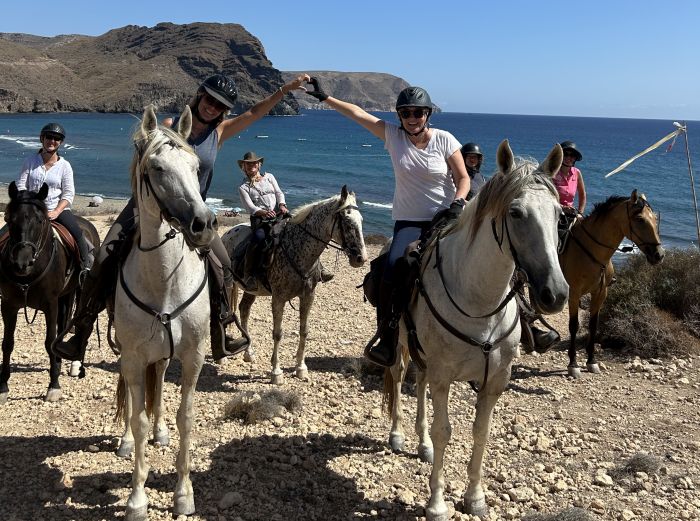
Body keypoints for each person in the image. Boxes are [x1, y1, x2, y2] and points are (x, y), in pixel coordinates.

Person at [53, 73, 309, 365]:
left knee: (223, 264)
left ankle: (223, 327)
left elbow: (255, 112)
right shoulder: (169, 127)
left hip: (192, 214)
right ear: (200, 95)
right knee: (103, 257)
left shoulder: (219, 133)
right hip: (147, 206)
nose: (212, 107)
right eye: (210, 99)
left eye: (219, 105)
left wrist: (283, 91)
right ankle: (80, 332)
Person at [305, 79, 470, 367]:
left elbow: (464, 178)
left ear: (427, 114)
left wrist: (458, 203)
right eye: (405, 113)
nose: (412, 118)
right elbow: (358, 114)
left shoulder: (445, 139)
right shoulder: (393, 136)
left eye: (418, 112)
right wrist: (325, 98)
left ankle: (514, 325)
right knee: (391, 269)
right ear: (399, 116)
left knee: (479, 258)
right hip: (409, 221)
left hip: (445, 218)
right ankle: (387, 338)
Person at [236, 151, 333, 289]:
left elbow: (278, 192)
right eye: (248, 164)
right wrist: (263, 212)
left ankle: (320, 269)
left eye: (254, 163)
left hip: (277, 214)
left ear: (259, 164)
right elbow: (250, 207)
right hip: (260, 219)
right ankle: (249, 274)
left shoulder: (269, 177)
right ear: (244, 167)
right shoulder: (243, 187)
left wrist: (282, 204)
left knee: (300, 232)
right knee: (258, 238)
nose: (251, 165)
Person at [17, 123, 92, 273]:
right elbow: (21, 185)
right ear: (42, 139)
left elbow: (68, 193)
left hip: (55, 209)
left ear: (60, 142)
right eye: (49, 137)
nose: (52, 141)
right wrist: (28, 204)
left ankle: (84, 268)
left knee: (77, 234)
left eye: (56, 138)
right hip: (31, 210)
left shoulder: (65, 166)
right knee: (5, 234)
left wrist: (57, 211)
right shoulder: (30, 161)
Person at [553, 140, 586, 215]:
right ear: (560, 156)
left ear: (575, 158)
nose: (568, 158)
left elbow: (582, 194)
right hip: (553, 213)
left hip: (570, 214)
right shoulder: (553, 172)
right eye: (565, 154)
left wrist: (580, 213)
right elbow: (547, 197)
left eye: (572, 155)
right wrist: (562, 207)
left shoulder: (577, 172)